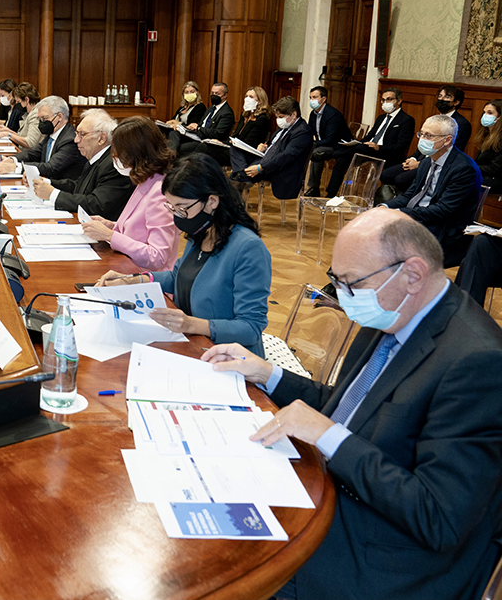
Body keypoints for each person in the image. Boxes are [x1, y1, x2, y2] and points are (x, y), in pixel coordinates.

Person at [203, 208, 502, 600]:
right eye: (336, 280)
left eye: (350, 283)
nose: (342, 297)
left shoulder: (478, 363)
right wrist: (268, 374)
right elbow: (348, 408)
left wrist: (329, 437)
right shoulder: (396, 312)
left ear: (412, 274)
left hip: (385, 554)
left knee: (224, 561)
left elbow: (438, 518)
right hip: (340, 493)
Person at [96, 153, 271, 356]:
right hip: (192, 345)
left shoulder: (248, 249)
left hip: (230, 358)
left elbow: (251, 328)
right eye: (172, 207)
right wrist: (133, 280)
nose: (176, 217)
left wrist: (191, 324)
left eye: (182, 208)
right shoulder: (201, 230)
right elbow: (178, 277)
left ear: (212, 201)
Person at [382, 114, 483, 267]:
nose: (422, 139)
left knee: (384, 239)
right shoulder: (426, 161)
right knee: (373, 229)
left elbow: (443, 210)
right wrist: (385, 207)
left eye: (428, 136)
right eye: (421, 134)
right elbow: (410, 195)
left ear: (447, 140)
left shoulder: (464, 168)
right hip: (422, 219)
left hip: (444, 230)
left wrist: (400, 213)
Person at [81, 117, 178, 274]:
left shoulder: (160, 192)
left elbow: (157, 257)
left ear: (135, 153)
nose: (116, 158)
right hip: (126, 267)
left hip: (146, 277)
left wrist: (110, 235)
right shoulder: (146, 180)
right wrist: (110, 225)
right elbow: (139, 230)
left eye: (119, 153)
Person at [29, 109, 133, 219]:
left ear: (101, 138)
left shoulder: (114, 164)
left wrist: (52, 194)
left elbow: (96, 204)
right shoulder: (97, 157)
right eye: (76, 134)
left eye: (82, 134)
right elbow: (79, 187)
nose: (76, 140)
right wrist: (46, 182)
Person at [380, 85, 473, 194]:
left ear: (456, 102)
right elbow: (423, 142)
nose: (441, 99)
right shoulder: (434, 119)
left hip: (436, 164)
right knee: (385, 174)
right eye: (440, 96)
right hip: (420, 159)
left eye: (447, 97)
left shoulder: (462, 123)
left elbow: (452, 151)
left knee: (401, 179)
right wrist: (413, 159)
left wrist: (420, 164)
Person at [326, 87, 415, 197]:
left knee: (357, 149)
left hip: (386, 153)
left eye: (389, 99)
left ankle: (334, 153)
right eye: (383, 100)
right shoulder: (381, 118)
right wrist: (359, 143)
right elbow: (369, 136)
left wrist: (379, 147)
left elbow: (401, 147)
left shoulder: (406, 120)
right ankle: (330, 194)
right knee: (342, 159)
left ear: (399, 101)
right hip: (368, 150)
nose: (385, 103)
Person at [230, 96, 314, 201]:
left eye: (281, 117)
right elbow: (275, 144)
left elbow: (286, 156)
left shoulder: (302, 132)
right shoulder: (287, 125)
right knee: (235, 148)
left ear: (293, 114)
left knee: (235, 178)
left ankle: (241, 177)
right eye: (277, 117)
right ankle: (242, 173)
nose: (278, 120)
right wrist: (265, 147)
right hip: (265, 159)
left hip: (278, 168)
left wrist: (260, 167)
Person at [0, 95, 87, 181]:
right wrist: (11, 159)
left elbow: (50, 167)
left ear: (59, 117)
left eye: (44, 118)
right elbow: (32, 154)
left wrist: (16, 167)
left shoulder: (70, 140)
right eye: (40, 119)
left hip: (60, 188)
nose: (41, 123)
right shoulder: (52, 134)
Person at [303, 86, 351, 196]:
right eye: (310, 97)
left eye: (315, 97)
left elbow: (330, 139)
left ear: (323, 99)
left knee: (316, 152)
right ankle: (313, 188)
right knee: (312, 151)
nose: (312, 100)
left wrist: (313, 144)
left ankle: (315, 187)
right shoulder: (313, 114)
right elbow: (310, 132)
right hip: (323, 145)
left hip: (338, 146)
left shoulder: (333, 114)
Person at [174, 82, 235, 156]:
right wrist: (194, 126)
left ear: (225, 95)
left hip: (209, 143)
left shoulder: (227, 113)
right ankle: (169, 155)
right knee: (174, 133)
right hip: (198, 136)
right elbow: (201, 124)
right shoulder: (210, 109)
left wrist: (198, 128)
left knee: (182, 148)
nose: (214, 95)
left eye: (217, 93)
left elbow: (217, 134)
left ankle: (170, 156)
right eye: (212, 93)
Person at [0, 82, 41, 149]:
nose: (17, 105)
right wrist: (8, 131)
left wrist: (8, 134)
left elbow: (30, 143)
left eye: (19, 102)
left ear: (26, 99)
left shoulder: (35, 115)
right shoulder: (29, 113)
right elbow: (23, 136)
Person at [163, 81, 207, 152]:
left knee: (173, 133)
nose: (189, 94)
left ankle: (170, 154)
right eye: (186, 92)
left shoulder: (200, 107)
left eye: (192, 92)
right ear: (183, 94)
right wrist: (171, 123)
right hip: (177, 132)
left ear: (197, 93)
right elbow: (173, 120)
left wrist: (178, 124)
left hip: (188, 134)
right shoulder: (183, 107)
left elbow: (191, 126)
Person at [473, 98, 502, 191]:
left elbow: (494, 168)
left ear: (499, 117)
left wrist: (471, 166)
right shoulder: (487, 135)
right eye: (484, 112)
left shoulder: (500, 139)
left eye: (490, 113)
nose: (485, 115)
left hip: (495, 180)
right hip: (485, 176)